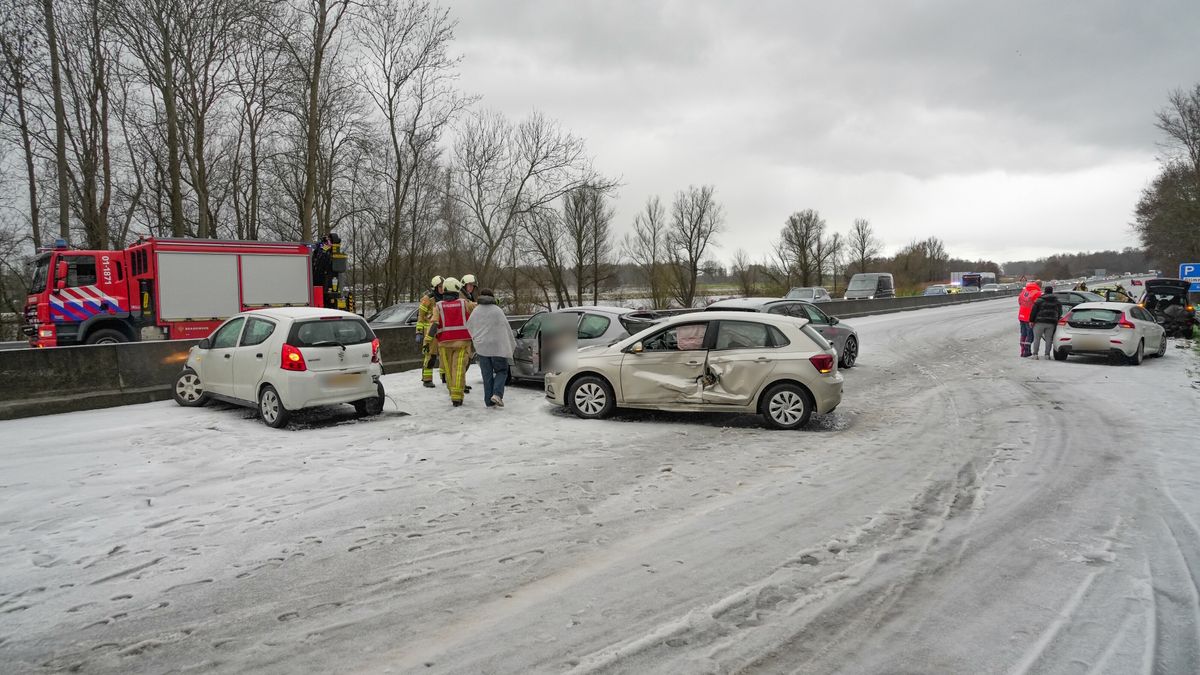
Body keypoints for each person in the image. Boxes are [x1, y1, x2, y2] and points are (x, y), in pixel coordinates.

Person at [426, 277, 476, 406]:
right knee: (458, 369)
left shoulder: (438, 306)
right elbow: (478, 308)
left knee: (448, 370)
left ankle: (452, 393)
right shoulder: (464, 303)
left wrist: (427, 341)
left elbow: (434, 325)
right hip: (462, 343)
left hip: (444, 344)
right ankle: (457, 397)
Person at [465, 288, 516, 408]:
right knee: (502, 371)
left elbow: (470, 327)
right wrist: (510, 343)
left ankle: (489, 401)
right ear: (492, 297)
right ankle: (497, 394)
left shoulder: (476, 311)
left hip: (482, 348)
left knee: (486, 375)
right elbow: (506, 329)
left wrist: (478, 340)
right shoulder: (497, 311)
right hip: (497, 348)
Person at [416, 276, 445, 388]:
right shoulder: (428, 299)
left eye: (443, 286)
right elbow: (421, 317)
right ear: (435, 287)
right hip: (430, 332)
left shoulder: (446, 298)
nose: (442, 289)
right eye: (440, 287)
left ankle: (445, 377)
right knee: (431, 355)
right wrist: (418, 332)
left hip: (442, 330)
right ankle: (427, 379)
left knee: (444, 355)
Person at [1028, 286, 1062, 360]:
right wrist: (1057, 319)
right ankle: (1047, 355)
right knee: (1049, 339)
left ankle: (1035, 354)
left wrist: (1031, 320)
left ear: (1045, 291)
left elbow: (1033, 311)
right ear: (1052, 291)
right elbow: (1060, 312)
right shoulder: (1057, 301)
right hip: (1051, 323)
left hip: (1039, 322)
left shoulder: (1039, 300)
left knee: (1037, 338)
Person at [1017, 281, 1043, 357]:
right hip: (1029, 316)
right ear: (1039, 285)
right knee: (1030, 334)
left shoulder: (1024, 290)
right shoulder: (1037, 293)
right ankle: (1026, 351)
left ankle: (1022, 351)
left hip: (1021, 315)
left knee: (1023, 333)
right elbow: (1038, 305)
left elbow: (1019, 301)